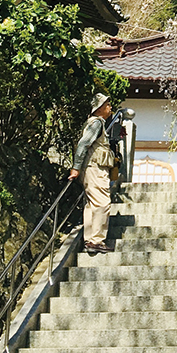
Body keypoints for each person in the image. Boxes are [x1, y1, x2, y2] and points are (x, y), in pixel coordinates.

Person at [70, 91, 118, 253]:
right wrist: (76, 167)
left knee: (92, 204)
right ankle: (96, 239)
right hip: (95, 168)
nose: (110, 107)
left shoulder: (94, 123)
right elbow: (83, 144)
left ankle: (90, 239)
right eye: (107, 105)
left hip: (91, 168)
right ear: (99, 109)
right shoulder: (96, 123)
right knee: (102, 202)